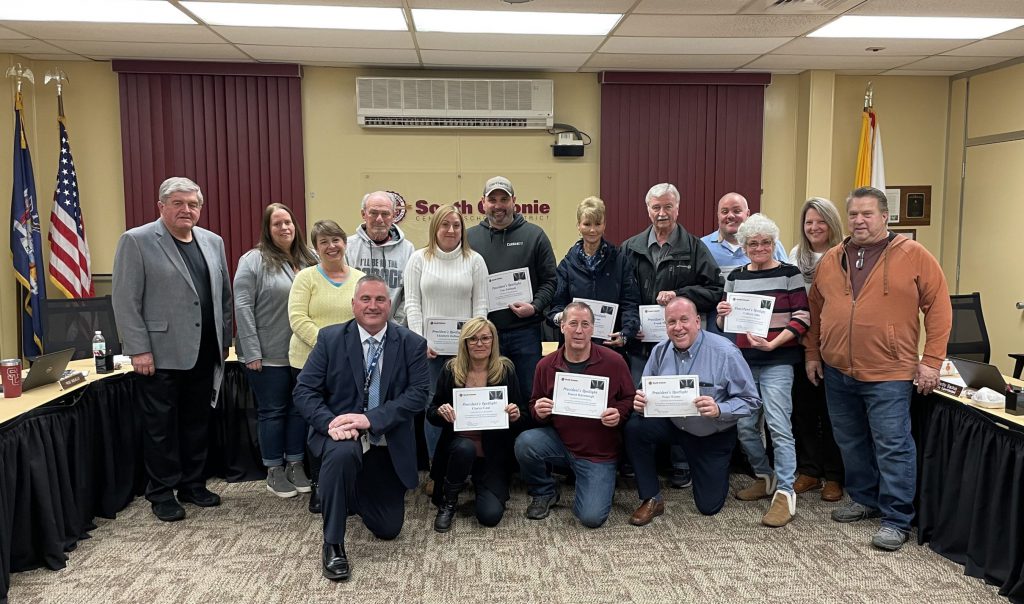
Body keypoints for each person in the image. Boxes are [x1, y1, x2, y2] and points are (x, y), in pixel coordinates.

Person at [804, 186, 952, 552]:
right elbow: (816, 310)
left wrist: (931, 360)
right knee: (850, 441)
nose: (859, 220)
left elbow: (939, 308)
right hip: (838, 369)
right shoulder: (833, 258)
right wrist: (812, 353)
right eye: (853, 214)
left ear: (886, 217)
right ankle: (865, 498)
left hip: (889, 372)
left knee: (892, 444)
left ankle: (896, 518)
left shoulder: (914, 255)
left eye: (867, 214)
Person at [293, 275, 430, 581]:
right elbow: (304, 391)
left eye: (380, 299)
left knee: (388, 529)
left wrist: (371, 419)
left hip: (385, 443)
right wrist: (330, 423)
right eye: (365, 299)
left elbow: (419, 395)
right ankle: (333, 544)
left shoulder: (411, 343)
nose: (372, 306)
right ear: (353, 304)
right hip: (342, 435)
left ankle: (343, 490)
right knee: (342, 456)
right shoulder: (330, 339)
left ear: (390, 304)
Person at [112, 176, 232, 522]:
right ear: (161, 206)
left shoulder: (212, 241)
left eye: (193, 204)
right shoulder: (136, 240)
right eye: (178, 203)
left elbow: (222, 296)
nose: (187, 210)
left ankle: (193, 485)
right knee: (160, 427)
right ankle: (162, 492)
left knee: (197, 422)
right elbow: (125, 300)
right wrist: (138, 349)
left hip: (205, 351)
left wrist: (223, 342)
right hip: (160, 353)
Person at [622, 183, 723, 489]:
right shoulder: (630, 247)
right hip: (643, 344)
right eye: (656, 207)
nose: (662, 213)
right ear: (647, 210)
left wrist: (680, 294)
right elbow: (623, 294)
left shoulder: (693, 247)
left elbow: (715, 291)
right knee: (641, 400)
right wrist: (629, 324)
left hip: (681, 344)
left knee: (682, 400)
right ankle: (642, 461)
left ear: (678, 209)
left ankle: (681, 462)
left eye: (668, 207)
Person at [624, 296, 759, 525]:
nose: (678, 328)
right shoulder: (659, 351)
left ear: (698, 321)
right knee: (635, 428)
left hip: (712, 432)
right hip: (675, 424)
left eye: (684, 320)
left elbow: (751, 400)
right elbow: (644, 390)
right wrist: (640, 403)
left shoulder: (725, 352)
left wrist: (719, 408)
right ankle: (652, 498)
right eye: (671, 322)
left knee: (708, 506)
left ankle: (711, 468)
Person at [715, 213, 809, 527]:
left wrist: (774, 344)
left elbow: (802, 318)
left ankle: (785, 492)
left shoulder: (790, 274)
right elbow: (724, 324)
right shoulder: (736, 277)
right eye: (753, 243)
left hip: (778, 361)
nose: (759, 248)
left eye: (766, 242)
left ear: (773, 243)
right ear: (743, 246)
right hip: (744, 363)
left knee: (779, 426)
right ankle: (765, 476)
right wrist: (721, 314)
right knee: (744, 427)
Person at [514, 302, 634, 528]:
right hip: (561, 443)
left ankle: (592, 482)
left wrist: (619, 413)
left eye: (585, 324)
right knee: (526, 443)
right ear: (562, 327)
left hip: (598, 453)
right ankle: (545, 491)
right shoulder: (545, 365)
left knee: (591, 518)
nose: (579, 330)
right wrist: (538, 411)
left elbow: (629, 398)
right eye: (573, 324)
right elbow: (533, 404)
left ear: (593, 329)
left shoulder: (614, 361)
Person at [234, 203, 318, 498]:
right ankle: (274, 469)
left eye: (288, 222)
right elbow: (242, 306)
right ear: (267, 230)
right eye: (277, 224)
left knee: (298, 411)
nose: (284, 228)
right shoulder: (253, 260)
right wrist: (252, 351)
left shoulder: (310, 259)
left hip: (303, 354)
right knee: (272, 412)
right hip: (266, 354)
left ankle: (295, 464)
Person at [403, 205, 489, 476]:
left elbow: (481, 306)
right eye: (445, 225)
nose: (451, 230)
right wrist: (420, 340)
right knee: (435, 407)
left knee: (468, 404)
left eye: (456, 225)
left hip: (466, 350)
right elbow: (412, 304)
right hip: (430, 351)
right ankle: (436, 469)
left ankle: (470, 466)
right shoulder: (418, 259)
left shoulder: (474, 260)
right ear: (435, 228)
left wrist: (475, 342)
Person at [426, 317, 523, 532]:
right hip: (457, 449)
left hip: (491, 454)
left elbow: (522, 414)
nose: (479, 344)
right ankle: (448, 504)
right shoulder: (451, 369)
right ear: (465, 343)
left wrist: (515, 415)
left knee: (490, 516)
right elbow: (431, 413)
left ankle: (480, 484)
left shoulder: (505, 370)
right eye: (473, 339)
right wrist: (441, 412)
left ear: (493, 341)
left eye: (485, 338)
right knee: (465, 447)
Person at [467, 176, 558, 406]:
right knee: (488, 399)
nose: (498, 205)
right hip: (484, 336)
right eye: (492, 199)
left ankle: (528, 442)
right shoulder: (468, 238)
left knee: (528, 394)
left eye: (504, 199)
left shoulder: (535, 236)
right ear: (483, 203)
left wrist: (535, 306)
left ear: (514, 201)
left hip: (525, 333)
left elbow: (550, 281)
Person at [788, 197, 845, 502]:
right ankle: (809, 470)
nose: (814, 227)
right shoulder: (796, 256)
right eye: (809, 222)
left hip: (832, 344)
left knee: (832, 413)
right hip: (799, 344)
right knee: (804, 412)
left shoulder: (844, 256)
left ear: (832, 224)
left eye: (820, 221)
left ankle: (835, 476)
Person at [547, 196, 640, 358]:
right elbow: (556, 306)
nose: (592, 230)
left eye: (598, 224)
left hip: (610, 348)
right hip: (574, 348)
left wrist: (626, 334)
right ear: (578, 226)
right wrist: (563, 317)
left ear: (604, 225)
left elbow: (630, 303)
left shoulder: (620, 261)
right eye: (587, 224)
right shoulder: (567, 265)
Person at [289, 220, 365, 371]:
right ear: (316, 249)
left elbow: (365, 318)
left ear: (345, 243)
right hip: (307, 362)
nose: (331, 246)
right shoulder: (305, 277)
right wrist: (329, 345)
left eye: (336, 240)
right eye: (323, 242)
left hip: (348, 361)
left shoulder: (361, 279)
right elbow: (298, 318)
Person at [345, 191, 414, 324]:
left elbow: (409, 295)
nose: (379, 219)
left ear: (394, 216)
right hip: (356, 329)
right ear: (363, 214)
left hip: (394, 331)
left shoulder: (408, 250)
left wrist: (396, 325)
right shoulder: (349, 248)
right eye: (374, 213)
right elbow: (344, 292)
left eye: (385, 214)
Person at [700, 192, 788, 279]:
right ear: (718, 215)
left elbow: (786, 275)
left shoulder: (770, 245)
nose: (730, 215)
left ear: (748, 214)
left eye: (737, 211)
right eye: (724, 211)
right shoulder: (702, 246)